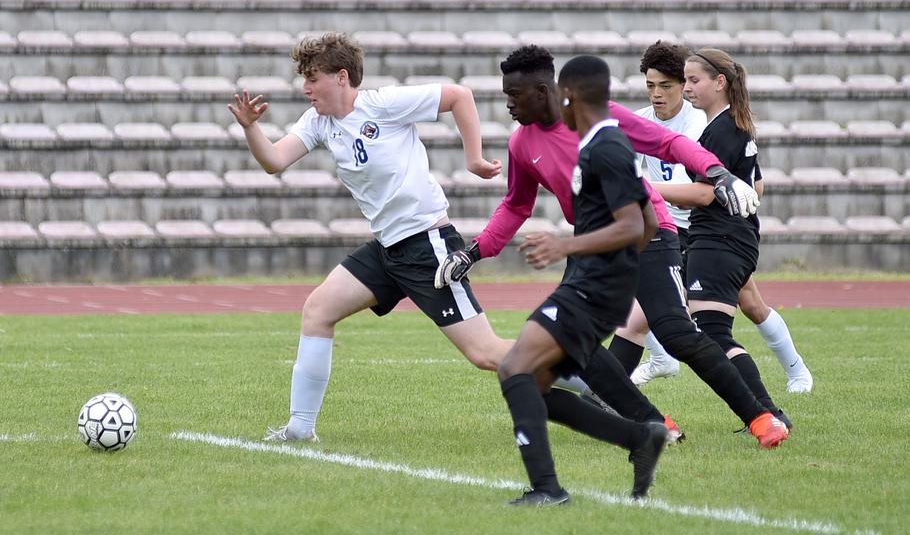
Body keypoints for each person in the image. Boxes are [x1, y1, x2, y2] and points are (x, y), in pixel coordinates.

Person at [228, 32, 664, 444]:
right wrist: (251, 127)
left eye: (312, 77)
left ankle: (606, 389)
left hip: (427, 246)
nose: (305, 86)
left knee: (489, 354)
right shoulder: (318, 122)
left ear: (341, 77)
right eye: (303, 77)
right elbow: (274, 161)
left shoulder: (381, 104)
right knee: (318, 310)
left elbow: (459, 96)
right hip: (387, 248)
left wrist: (473, 158)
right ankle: (301, 428)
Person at [436, 45, 788, 448]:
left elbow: (668, 145)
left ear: (542, 90)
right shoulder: (521, 143)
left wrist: (716, 172)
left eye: (513, 96)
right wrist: (473, 251)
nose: (508, 105)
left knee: (676, 334)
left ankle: (762, 418)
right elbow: (516, 206)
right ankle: (656, 424)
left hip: (647, 231)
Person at [496, 54, 667, 506]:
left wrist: (567, 247)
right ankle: (638, 437)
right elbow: (647, 217)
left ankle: (547, 490)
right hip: (598, 282)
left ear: (565, 94)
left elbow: (633, 225)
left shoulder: (605, 147)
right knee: (533, 385)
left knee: (514, 368)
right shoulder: (600, 144)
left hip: (593, 284)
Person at [627, 42, 813, 394]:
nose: (658, 93)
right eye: (650, 86)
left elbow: (748, 185)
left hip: (713, 232)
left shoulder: (705, 124)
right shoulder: (640, 123)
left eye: (667, 85)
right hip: (683, 230)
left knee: (739, 311)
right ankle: (660, 363)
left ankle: (788, 380)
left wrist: (642, 188)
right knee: (643, 304)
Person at [651, 47, 791, 428]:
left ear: (720, 82)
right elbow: (756, 185)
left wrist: (644, 187)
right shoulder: (733, 124)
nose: (688, 88)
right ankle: (766, 413)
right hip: (732, 239)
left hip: (718, 242)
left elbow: (704, 193)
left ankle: (766, 413)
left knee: (712, 335)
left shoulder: (722, 130)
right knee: (711, 332)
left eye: (694, 80)